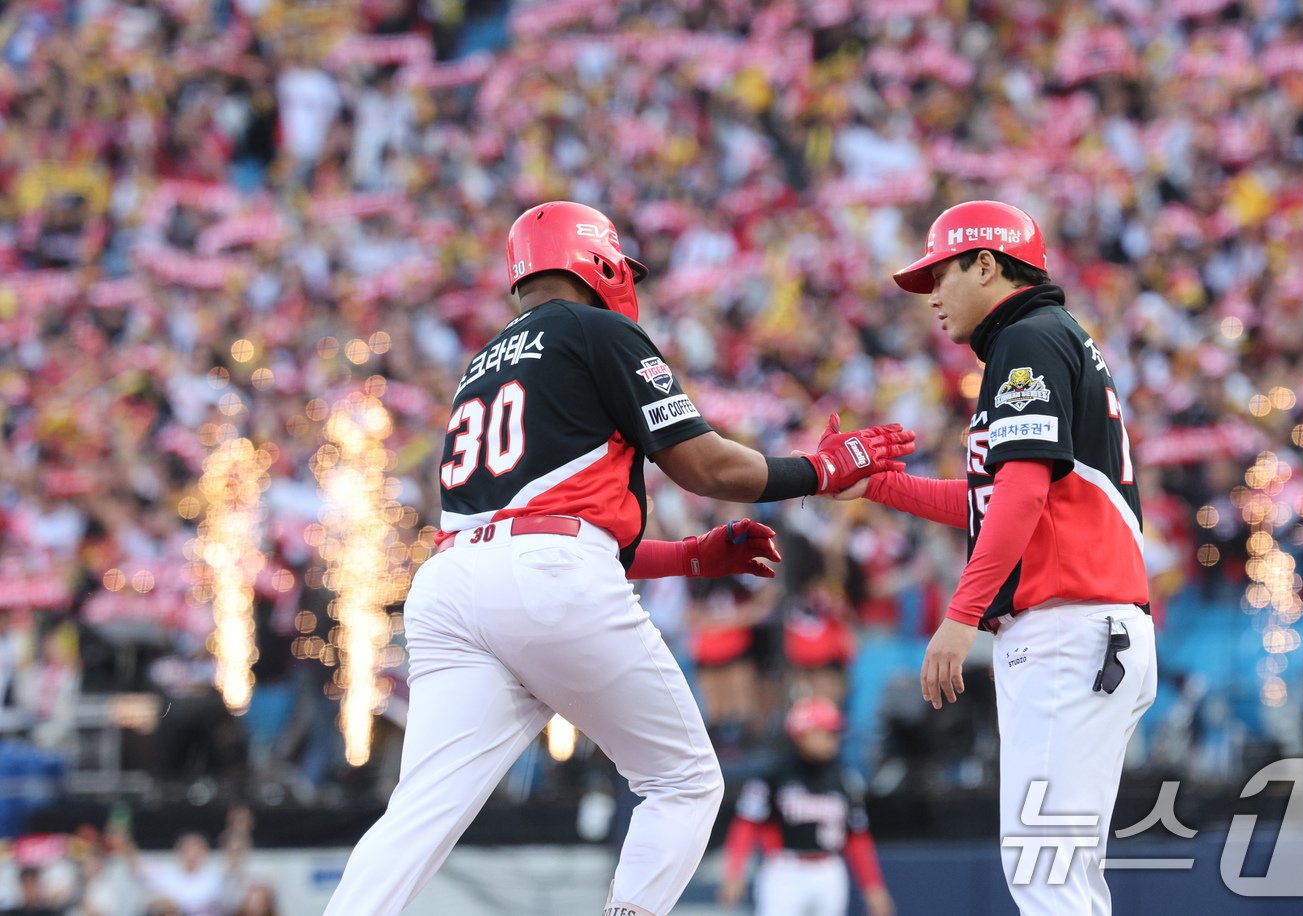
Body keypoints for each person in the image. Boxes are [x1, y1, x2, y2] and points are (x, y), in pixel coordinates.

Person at [325, 200, 915, 916]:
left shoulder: (480, 363)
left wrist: (690, 558)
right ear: (596, 262)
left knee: (419, 812)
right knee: (685, 782)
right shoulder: (597, 328)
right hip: (542, 576)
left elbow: (563, 522)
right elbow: (706, 469)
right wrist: (818, 471)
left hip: (452, 583)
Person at [839, 200, 1158, 914]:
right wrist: (878, 484)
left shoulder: (1030, 337)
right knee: (1060, 877)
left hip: (1071, 631)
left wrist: (961, 614)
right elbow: (993, 501)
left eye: (941, 276)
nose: (934, 299)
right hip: (1088, 631)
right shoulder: (1048, 337)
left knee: (1047, 877)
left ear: (987, 263)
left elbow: (1018, 494)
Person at [717, 697, 894, 916]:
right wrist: (734, 873)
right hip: (785, 870)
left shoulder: (845, 778)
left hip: (829, 869)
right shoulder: (774, 774)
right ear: (803, 734)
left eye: (835, 733)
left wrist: (873, 886)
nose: (834, 739)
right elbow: (746, 824)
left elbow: (857, 837)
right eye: (827, 732)